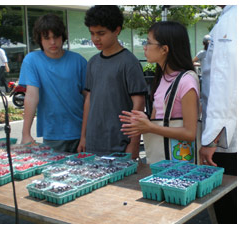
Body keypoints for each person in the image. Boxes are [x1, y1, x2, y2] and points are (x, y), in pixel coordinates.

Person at [119, 21, 200, 158]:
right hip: (162, 159)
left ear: (164, 49)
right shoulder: (163, 77)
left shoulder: (186, 82)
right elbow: (159, 118)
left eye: (148, 42)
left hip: (179, 164)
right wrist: (145, 121)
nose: (145, 47)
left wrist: (150, 127)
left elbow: (190, 133)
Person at [77, 5, 147, 158]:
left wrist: (134, 143)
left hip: (119, 143)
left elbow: (139, 104)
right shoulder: (93, 62)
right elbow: (88, 100)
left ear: (117, 30)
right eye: (92, 33)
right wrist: (83, 136)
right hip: (93, 142)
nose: (95, 38)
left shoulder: (129, 62)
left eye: (101, 33)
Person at [19, 14, 87, 153]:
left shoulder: (78, 61)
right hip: (53, 134)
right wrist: (25, 134)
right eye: (47, 38)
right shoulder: (32, 60)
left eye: (56, 36)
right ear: (39, 39)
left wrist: (85, 134)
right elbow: (31, 96)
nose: (52, 42)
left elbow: (90, 97)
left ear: (62, 36)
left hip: (82, 133)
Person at [199, 5, 237, 224]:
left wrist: (212, 137)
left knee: (227, 204)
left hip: (229, 139)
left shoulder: (231, 20)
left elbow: (224, 81)